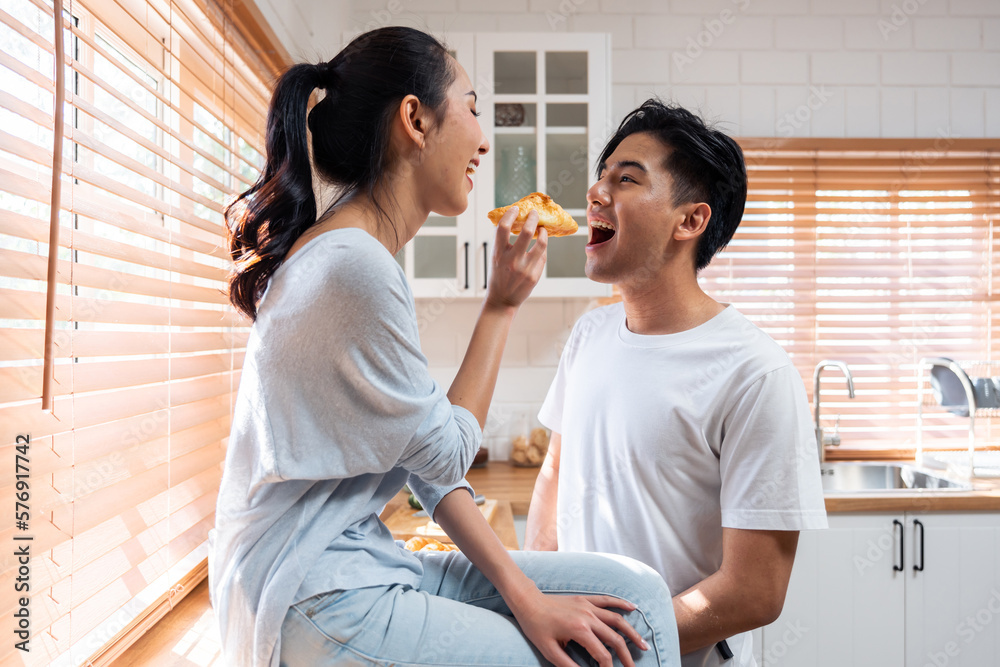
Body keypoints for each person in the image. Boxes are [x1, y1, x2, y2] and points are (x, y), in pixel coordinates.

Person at [208, 28, 681, 667]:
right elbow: (450, 454)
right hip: (313, 589)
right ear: (415, 120)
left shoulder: (351, 256)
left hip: (354, 561)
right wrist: (502, 306)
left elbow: (427, 460)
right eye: (473, 107)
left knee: (637, 596)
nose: (484, 140)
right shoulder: (356, 269)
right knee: (576, 650)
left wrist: (523, 592)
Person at [524, 100, 828, 667]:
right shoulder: (589, 334)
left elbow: (756, 589)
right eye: (601, 176)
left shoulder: (755, 373)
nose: (595, 191)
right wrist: (540, 598)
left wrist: (622, 647)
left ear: (690, 220)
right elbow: (556, 471)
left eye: (627, 178)